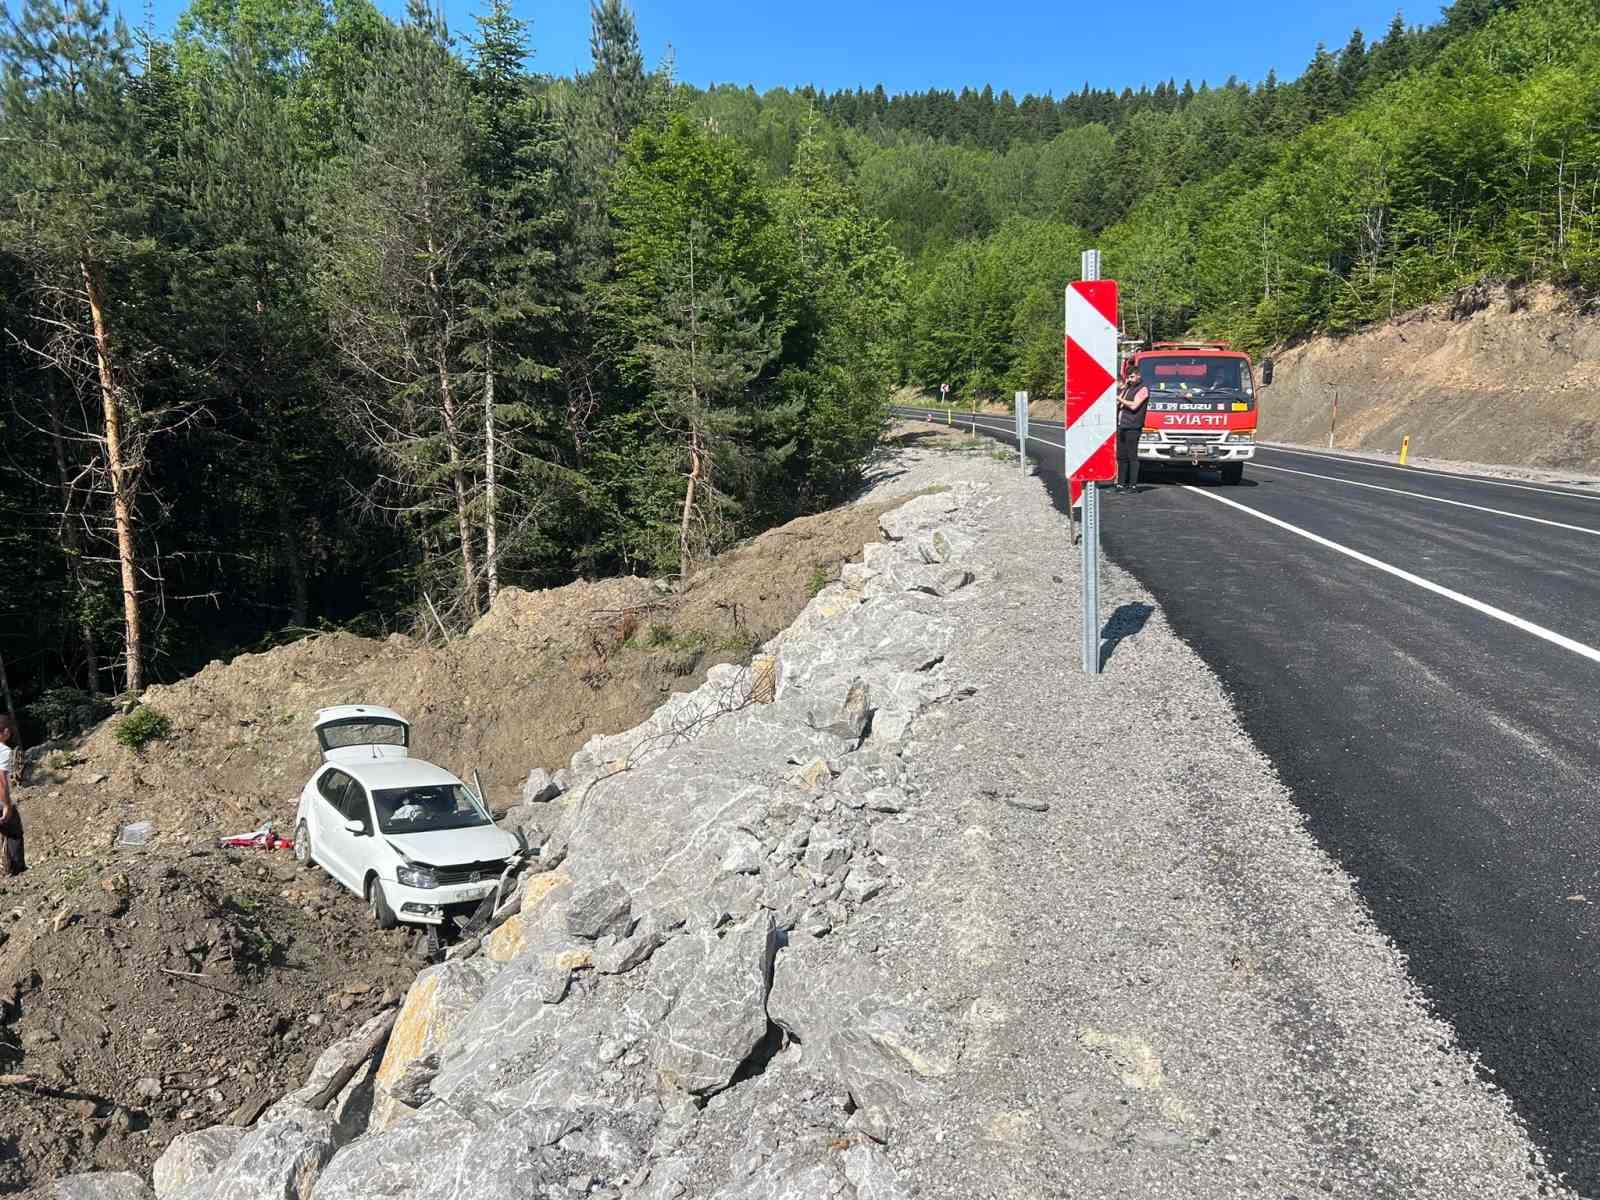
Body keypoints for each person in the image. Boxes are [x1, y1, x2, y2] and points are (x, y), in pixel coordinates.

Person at [1115, 371, 1150, 494]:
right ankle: (1121, 484)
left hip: (1133, 426)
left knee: (1132, 456)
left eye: (1132, 376)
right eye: (1128, 377)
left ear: (1139, 376)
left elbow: (1134, 405)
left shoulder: (1143, 389)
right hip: (1122, 425)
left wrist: (1119, 398)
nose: (1130, 379)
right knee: (1121, 456)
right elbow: (1120, 404)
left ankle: (1133, 486)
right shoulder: (1128, 389)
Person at [0, 715, 23, 876]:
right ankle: (17, 870)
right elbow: (1, 780)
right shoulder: (4, 750)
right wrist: (7, 805)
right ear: (6, 731)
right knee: (14, 831)